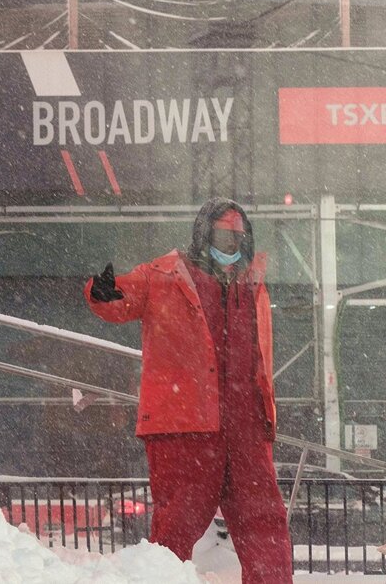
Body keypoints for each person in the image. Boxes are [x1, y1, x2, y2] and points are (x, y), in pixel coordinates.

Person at [84, 197, 293, 583]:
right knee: (177, 523)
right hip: (187, 424)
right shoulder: (163, 275)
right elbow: (120, 300)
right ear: (203, 235)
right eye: (223, 237)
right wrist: (103, 292)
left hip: (244, 423)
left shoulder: (253, 284)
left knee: (264, 523)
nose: (231, 246)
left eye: (237, 239)